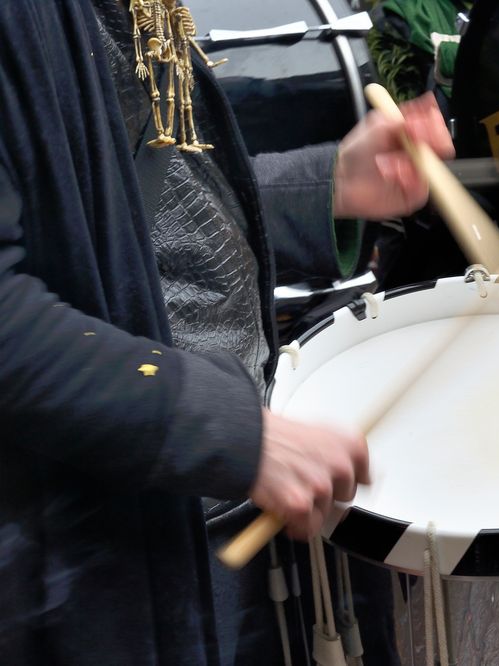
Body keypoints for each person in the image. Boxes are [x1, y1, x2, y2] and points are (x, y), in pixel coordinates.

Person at [0, 0, 454, 664]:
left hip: (220, 502)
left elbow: (131, 219)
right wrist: (232, 432)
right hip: (110, 566)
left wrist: (328, 185)